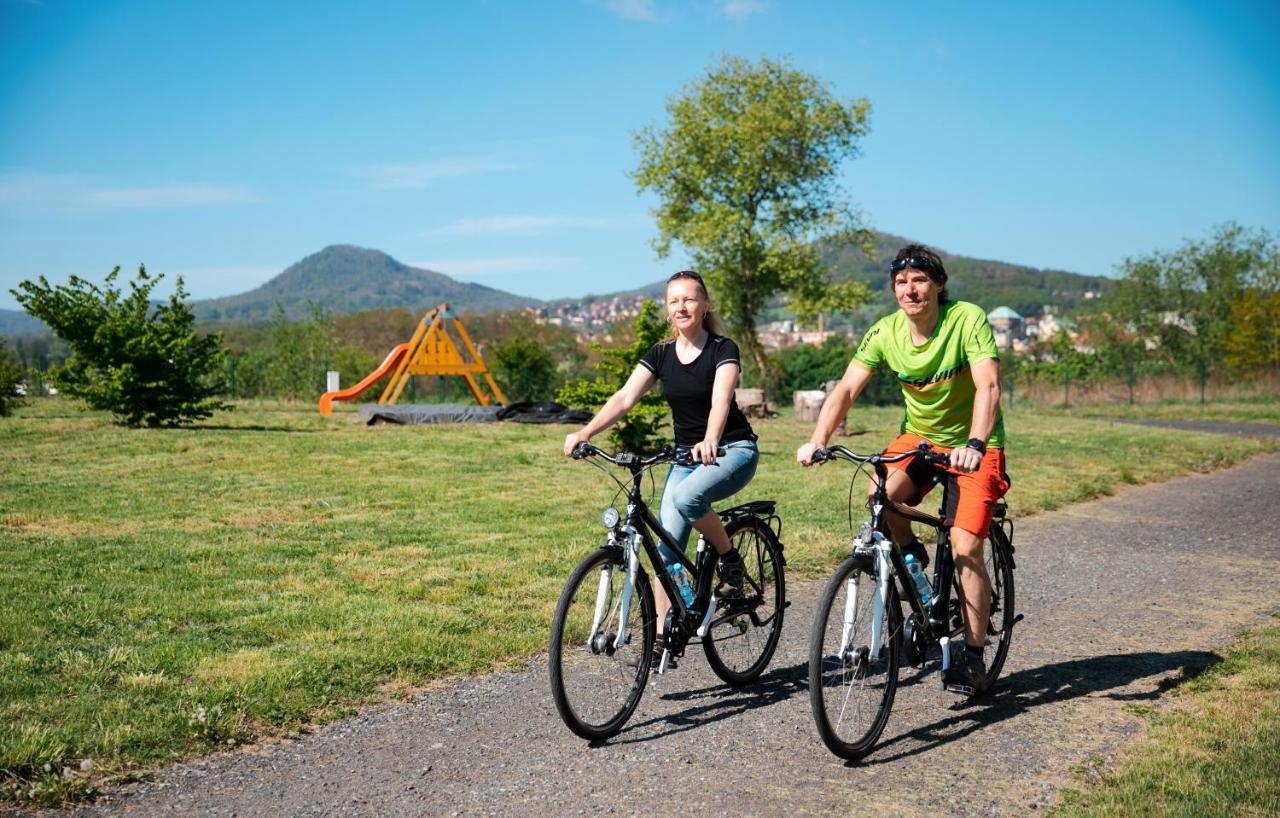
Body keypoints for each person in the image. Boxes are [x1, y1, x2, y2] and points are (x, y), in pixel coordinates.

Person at [796, 244, 1009, 695]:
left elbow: (988, 384)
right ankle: (911, 555)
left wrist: (974, 443)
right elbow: (846, 389)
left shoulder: (966, 318)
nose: (909, 290)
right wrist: (819, 439)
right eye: (901, 282)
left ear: (938, 285)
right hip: (919, 438)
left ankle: (971, 655)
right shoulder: (885, 332)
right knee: (879, 499)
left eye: (919, 281)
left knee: (966, 545)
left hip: (974, 444)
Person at [563, 270, 759, 666]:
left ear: (705, 306)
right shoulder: (660, 354)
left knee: (688, 497)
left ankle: (730, 561)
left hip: (733, 449)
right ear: (668, 310)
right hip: (686, 456)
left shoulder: (723, 348)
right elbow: (624, 398)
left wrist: (710, 438)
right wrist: (585, 432)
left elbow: (722, 399)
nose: (682, 306)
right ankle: (664, 633)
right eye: (674, 301)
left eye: (689, 299)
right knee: (666, 550)